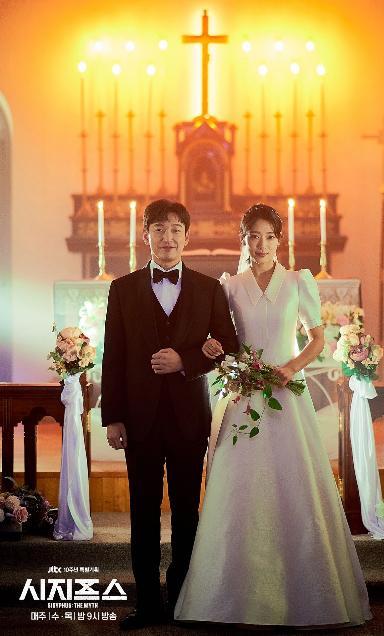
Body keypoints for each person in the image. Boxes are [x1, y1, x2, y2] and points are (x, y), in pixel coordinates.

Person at [174, 203, 372, 629]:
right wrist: (214, 350)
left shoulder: (299, 281)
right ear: (243, 240)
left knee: (294, 485)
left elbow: (317, 339)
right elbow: (220, 338)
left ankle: (305, 593)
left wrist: (291, 367)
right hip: (245, 396)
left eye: (268, 237)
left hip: (286, 394)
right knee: (238, 487)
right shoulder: (230, 285)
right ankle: (226, 596)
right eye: (253, 237)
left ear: (279, 240)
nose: (260, 245)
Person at [101, 199, 238, 630]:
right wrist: (113, 417)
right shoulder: (122, 289)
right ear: (146, 235)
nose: (167, 237)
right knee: (142, 512)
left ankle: (183, 600)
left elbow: (229, 346)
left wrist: (186, 361)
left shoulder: (208, 287)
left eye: (176, 229)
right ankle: (146, 604)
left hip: (188, 419)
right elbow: (113, 356)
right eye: (159, 229)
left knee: (186, 512)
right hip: (137, 419)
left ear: (187, 237)